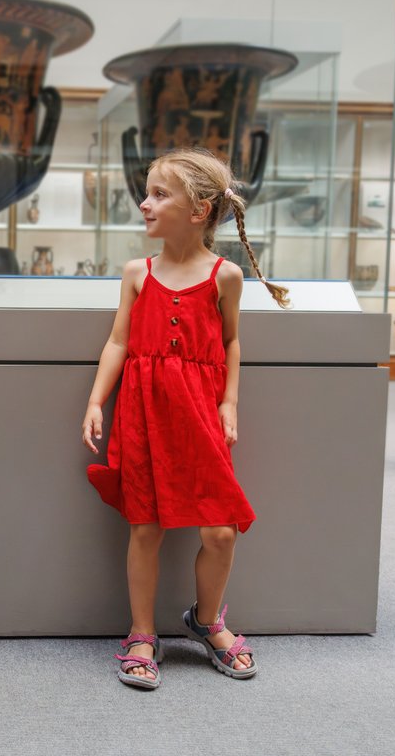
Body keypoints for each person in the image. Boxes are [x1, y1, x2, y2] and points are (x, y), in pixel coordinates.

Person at [81, 147, 290, 688]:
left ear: (199, 211)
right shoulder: (137, 273)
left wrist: (229, 401)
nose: (145, 204)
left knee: (220, 531)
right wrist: (96, 400)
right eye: (147, 193)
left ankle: (205, 621)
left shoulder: (226, 276)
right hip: (143, 415)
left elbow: (232, 342)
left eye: (158, 194)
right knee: (145, 528)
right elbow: (118, 342)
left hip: (200, 415)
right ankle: (142, 633)